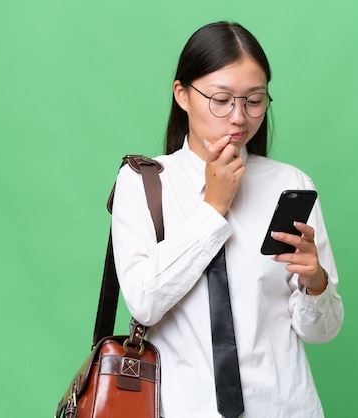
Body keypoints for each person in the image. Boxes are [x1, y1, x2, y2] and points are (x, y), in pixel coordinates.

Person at [111, 21, 344, 418]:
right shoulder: (143, 183)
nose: (239, 118)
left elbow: (321, 332)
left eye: (254, 100)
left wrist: (315, 282)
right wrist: (213, 209)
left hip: (284, 407)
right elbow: (144, 303)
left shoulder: (290, 184)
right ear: (182, 94)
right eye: (221, 99)